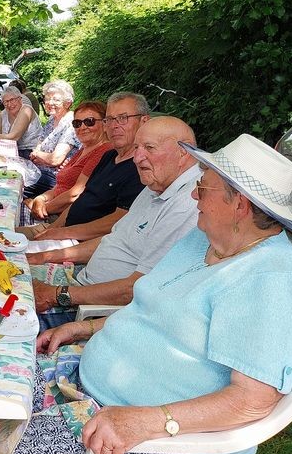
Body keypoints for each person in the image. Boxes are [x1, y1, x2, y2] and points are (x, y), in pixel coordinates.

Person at [8, 134, 292, 454]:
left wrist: (149, 421)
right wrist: (84, 328)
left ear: (239, 204)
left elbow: (252, 401)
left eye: (203, 187)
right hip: (84, 383)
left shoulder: (269, 281)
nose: (194, 194)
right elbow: (150, 307)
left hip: (149, 441)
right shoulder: (203, 239)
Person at [28, 116, 200, 329]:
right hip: (80, 280)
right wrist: (43, 257)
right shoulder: (156, 184)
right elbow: (113, 239)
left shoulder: (188, 204)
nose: (137, 157)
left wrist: (58, 295)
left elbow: (138, 289)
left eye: (149, 148)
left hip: (88, 308)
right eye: (137, 147)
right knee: (3, 268)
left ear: (184, 152)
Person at [24, 92, 148, 243]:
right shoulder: (109, 156)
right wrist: (52, 228)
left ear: (144, 121)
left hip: (79, 241)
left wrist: (58, 231)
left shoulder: (141, 166)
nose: (114, 125)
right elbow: (81, 198)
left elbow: (117, 221)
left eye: (123, 118)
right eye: (110, 119)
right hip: (61, 229)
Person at [23, 101, 112, 227]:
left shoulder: (103, 151)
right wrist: (40, 199)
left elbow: (75, 194)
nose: (82, 127)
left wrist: (42, 208)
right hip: (53, 209)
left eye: (89, 121)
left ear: (105, 124)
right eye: (77, 123)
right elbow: (61, 185)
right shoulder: (85, 148)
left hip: (64, 219)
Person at [25, 79, 80, 198]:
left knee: (20, 186)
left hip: (55, 177)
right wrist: (41, 156)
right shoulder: (52, 119)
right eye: (47, 99)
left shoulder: (70, 123)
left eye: (56, 99)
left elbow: (55, 160)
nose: (50, 102)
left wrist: (40, 156)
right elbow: (37, 148)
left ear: (67, 103)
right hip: (40, 170)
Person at [0, 86, 43, 158]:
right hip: (13, 150)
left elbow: (13, 137)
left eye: (12, 100)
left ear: (20, 99)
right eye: (6, 102)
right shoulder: (4, 113)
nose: (9, 104)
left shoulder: (26, 110)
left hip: (31, 152)